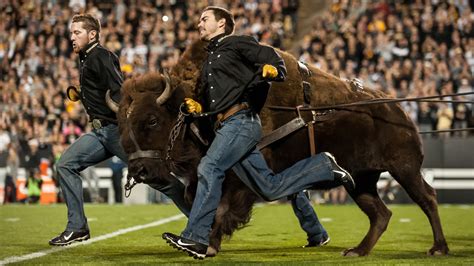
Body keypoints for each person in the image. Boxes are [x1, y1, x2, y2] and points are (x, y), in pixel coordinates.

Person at [162, 6, 355, 259]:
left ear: (221, 24)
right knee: (269, 188)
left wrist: (274, 70)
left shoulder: (238, 43)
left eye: (204, 19)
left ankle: (196, 238)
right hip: (228, 126)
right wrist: (200, 109)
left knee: (209, 168)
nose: (199, 24)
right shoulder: (211, 58)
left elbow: (271, 58)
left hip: (240, 122)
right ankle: (324, 166)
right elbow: (220, 99)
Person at [49, 14, 190, 246]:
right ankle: (77, 228)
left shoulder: (101, 56)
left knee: (159, 178)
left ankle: (200, 222)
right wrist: (83, 93)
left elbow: (119, 91)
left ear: (92, 34)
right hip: (99, 133)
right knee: (65, 164)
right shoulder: (86, 57)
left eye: (77, 32)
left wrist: (128, 130)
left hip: (115, 132)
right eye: (71, 32)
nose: (71, 37)